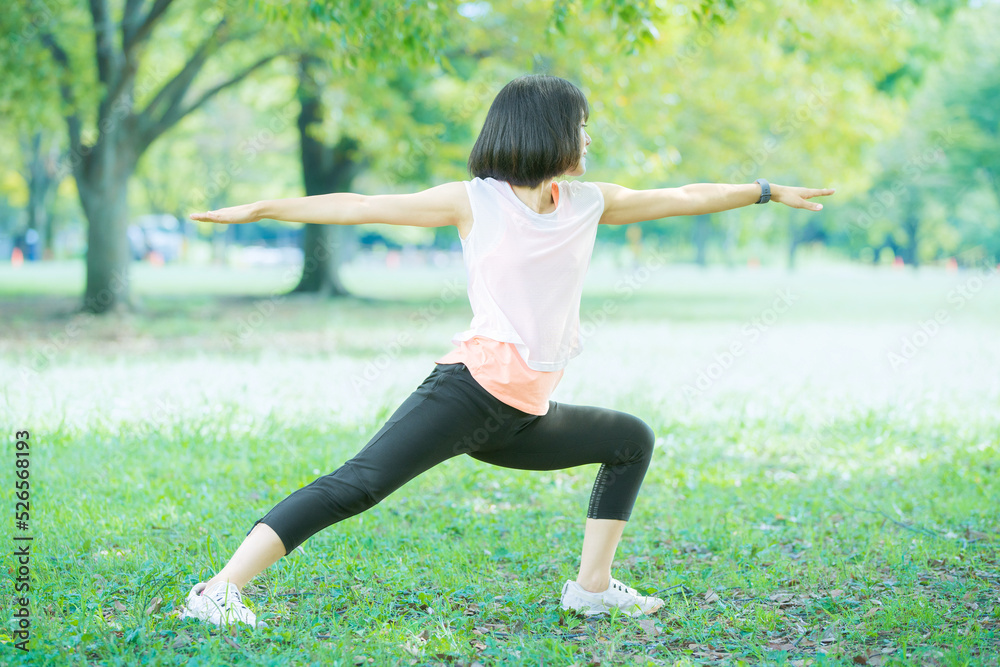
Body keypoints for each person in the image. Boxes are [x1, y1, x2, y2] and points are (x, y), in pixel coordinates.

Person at [180, 74, 835, 629]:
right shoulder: (474, 202)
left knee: (630, 438)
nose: (587, 139)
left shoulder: (587, 202)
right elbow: (358, 205)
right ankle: (218, 590)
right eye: (580, 127)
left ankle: (593, 586)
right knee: (360, 483)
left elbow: (685, 196)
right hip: (467, 392)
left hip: (524, 412)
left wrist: (767, 190)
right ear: (548, 129)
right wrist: (260, 206)